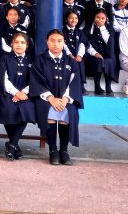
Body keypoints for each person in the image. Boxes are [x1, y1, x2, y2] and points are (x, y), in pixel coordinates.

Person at [31, 29, 84, 166]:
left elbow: (75, 83)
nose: (56, 44)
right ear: (47, 42)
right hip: (45, 99)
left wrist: (65, 99)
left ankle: (64, 150)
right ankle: (53, 150)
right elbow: (37, 82)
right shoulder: (40, 60)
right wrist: (51, 98)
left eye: (59, 41)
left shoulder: (71, 62)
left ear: (64, 43)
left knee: (68, 112)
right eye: (52, 41)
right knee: (49, 112)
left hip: (66, 99)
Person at [0, 32, 36, 161]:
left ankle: (11, 144)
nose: (19, 45)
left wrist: (24, 92)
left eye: (23, 42)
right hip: (8, 93)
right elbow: (2, 77)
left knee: (27, 108)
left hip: (26, 95)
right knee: (7, 107)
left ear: (27, 45)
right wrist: (15, 92)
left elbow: (35, 79)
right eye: (16, 42)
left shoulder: (31, 60)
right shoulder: (5, 58)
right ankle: (14, 144)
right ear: (12, 44)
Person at [84, 9, 118, 96]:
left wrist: (102, 28)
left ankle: (108, 87)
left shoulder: (110, 28)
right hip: (93, 54)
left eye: (103, 18)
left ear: (106, 19)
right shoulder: (88, 28)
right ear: (94, 18)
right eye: (98, 17)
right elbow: (86, 43)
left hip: (107, 53)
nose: (100, 20)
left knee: (110, 61)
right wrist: (95, 53)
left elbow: (109, 42)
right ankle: (97, 86)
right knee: (98, 60)